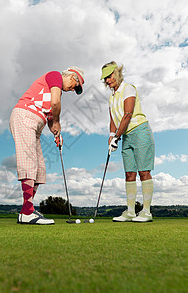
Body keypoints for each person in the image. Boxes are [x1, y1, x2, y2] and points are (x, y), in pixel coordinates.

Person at [10, 66, 85, 225]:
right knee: (29, 162)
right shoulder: (55, 76)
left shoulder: (55, 92)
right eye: (75, 86)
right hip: (24, 116)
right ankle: (28, 212)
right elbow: (55, 104)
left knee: (40, 169)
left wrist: (57, 134)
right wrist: (57, 122)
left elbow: (51, 120)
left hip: (35, 125)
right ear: (72, 77)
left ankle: (26, 210)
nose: (73, 90)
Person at [101, 61, 155, 222]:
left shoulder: (128, 88)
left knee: (143, 171)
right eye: (105, 79)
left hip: (139, 131)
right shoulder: (111, 98)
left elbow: (127, 115)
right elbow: (113, 119)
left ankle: (146, 212)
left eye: (109, 77)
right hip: (125, 135)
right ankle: (131, 212)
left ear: (116, 73)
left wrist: (117, 137)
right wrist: (111, 135)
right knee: (129, 173)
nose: (107, 81)